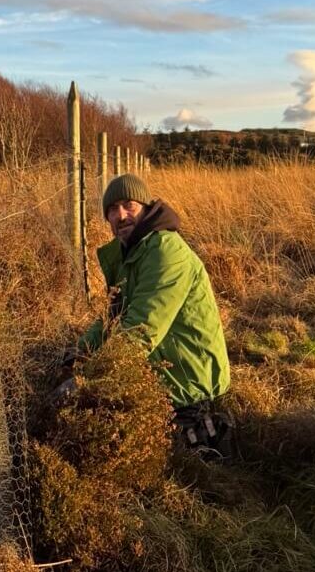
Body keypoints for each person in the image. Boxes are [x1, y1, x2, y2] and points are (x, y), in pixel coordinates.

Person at [56, 173, 234, 457]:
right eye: (112, 209)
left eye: (129, 205)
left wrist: (90, 380)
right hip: (159, 370)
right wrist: (78, 354)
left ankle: (202, 431)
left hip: (187, 380)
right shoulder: (132, 253)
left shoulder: (165, 252)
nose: (121, 215)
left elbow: (142, 329)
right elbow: (114, 317)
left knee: (118, 448)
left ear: (145, 207)